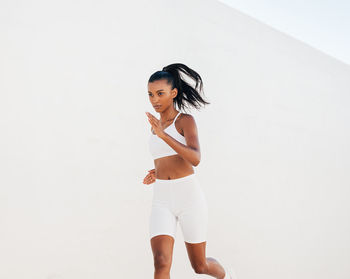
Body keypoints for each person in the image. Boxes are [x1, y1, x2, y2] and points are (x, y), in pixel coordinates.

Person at [143, 63, 235, 279]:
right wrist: (158, 171)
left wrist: (164, 135)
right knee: (161, 262)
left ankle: (226, 275)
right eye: (150, 94)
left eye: (160, 93)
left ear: (173, 93)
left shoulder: (185, 121)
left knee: (200, 265)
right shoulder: (155, 125)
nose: (154, 100)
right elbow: (167, 156)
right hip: (162, 198)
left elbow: (195, 158)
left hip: (189, 197)